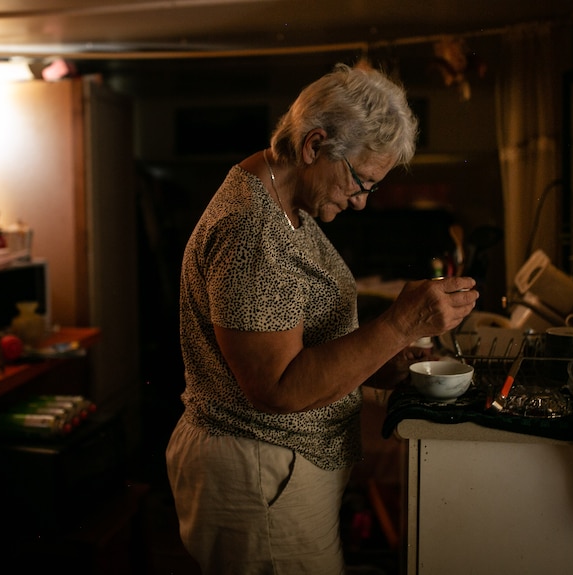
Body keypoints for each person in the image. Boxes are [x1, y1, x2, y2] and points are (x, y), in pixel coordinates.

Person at [165, 61, 478, 575]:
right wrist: (399, 324)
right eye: (362, 182)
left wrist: (386, 360)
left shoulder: (288, 207)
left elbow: (304, 343)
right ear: (314, 146)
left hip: (277, 467)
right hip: (260, 473)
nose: (360, 202)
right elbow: (280, 389)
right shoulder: (252, 231)